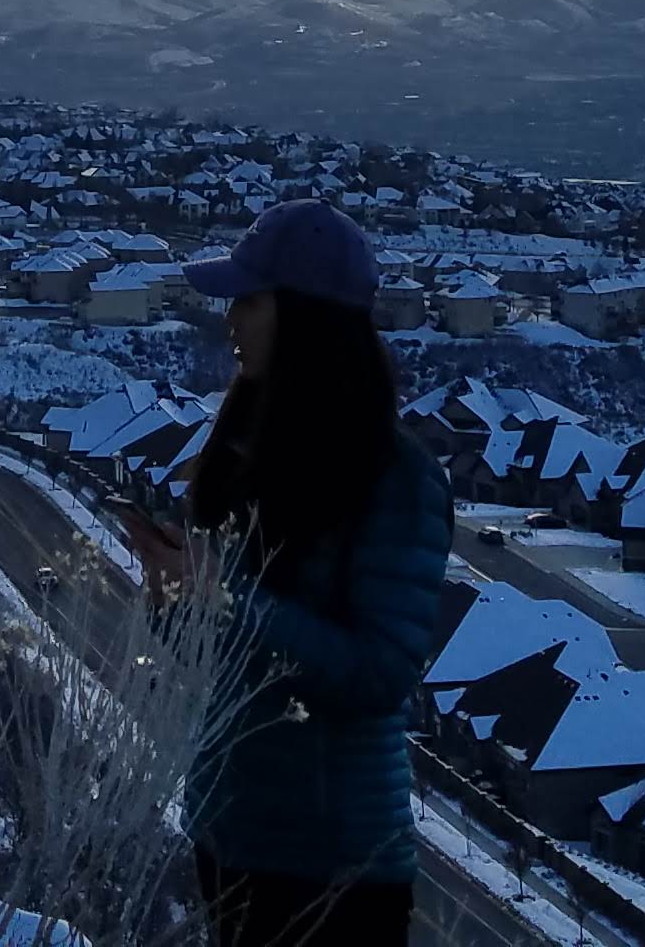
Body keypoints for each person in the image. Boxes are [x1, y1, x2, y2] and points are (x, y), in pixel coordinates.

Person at [122, 199, 449, 947]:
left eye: (249, 301)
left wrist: (224, 597)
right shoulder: (248, 445)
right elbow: (232, 656)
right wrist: (175, 595)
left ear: (306, 319)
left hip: (334, 867)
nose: (230, 319)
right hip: (228, 837)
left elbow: (381, 673)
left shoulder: (399, 479)